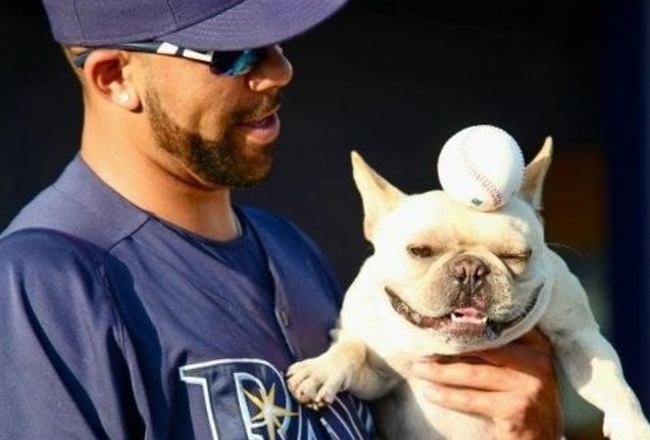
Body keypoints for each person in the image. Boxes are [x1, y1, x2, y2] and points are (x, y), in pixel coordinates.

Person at [0, 0, 563, 438]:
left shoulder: (289, 249)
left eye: (274, 41)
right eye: (232, 53)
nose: (279, 71)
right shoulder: (42, 285)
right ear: (114, 77)